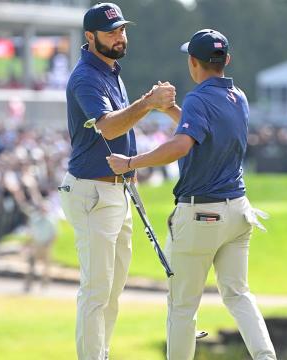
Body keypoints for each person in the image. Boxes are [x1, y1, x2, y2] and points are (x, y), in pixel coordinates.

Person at [107, 29, 277, 360]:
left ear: (192, 63)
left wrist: (130, 162)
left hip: (202, 214)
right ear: (226, 60)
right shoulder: (238, 97)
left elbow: (183, 143)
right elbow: (202, 128)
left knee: (183, 306)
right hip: (239, 211)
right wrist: (171, 111)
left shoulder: (199, 98)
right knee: (238, 294)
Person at [58, 3, 176, 359]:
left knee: (111, 290)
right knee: (96, 290)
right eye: (112, 32)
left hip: (117, 190)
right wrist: (148, 102)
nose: (120, 37)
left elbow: (120, 129)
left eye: (122, 30)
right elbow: (108, 126)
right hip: (92, 190)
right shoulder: (85, 77)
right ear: (90, 37)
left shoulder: (111, 71)